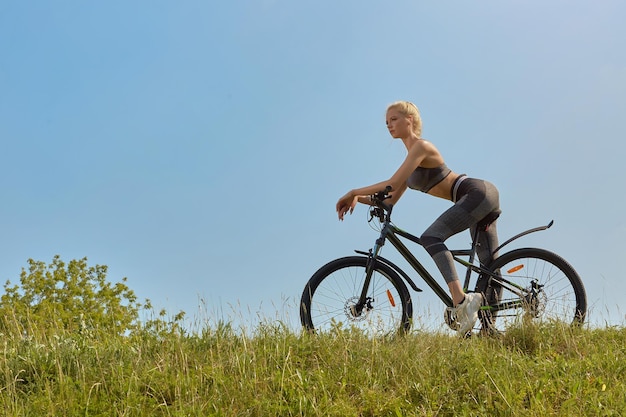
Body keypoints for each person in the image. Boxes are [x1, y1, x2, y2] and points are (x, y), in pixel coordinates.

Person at [335, 101, 501, 335]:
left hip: (476, 193)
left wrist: (354, 191)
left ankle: (462, 301)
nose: (389, 125)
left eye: (393, 119)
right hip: (475, 199)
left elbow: (391, 183)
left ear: (409, 120)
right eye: (386, 122)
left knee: (432, 236)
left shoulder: (421, 147)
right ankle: (488, 329)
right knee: (490, 266)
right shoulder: (411, 160)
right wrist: (358, 200)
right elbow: (389, 198)